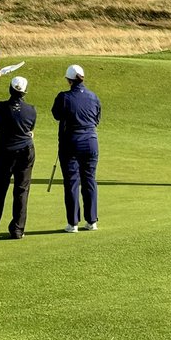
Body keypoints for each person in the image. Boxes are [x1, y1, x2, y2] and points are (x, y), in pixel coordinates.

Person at [0, 76, 36, 240]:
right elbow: (30, 127)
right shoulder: (31, 110)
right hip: (26, 151)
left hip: (5, 153)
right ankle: (17, 230)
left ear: (10, 90)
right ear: (25, 92)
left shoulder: (1, 107)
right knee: (21, 190)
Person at [51, 64, 101, 232]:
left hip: (70, 143)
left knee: (72, 182)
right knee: (89, 180)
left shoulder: (64, 97)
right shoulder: (93, 96)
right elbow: (97, 118)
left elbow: (56, 115)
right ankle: (92, 221)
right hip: (91, 141)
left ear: (69, 80)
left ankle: (73, 224)